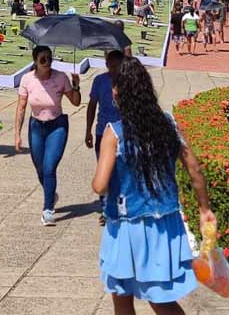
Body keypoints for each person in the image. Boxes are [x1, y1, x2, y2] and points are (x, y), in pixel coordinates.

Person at [92, 57, 214, 313]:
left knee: (121, 295)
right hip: (164, 224)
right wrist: (204, 209)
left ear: (118, 92)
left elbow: (99, 185)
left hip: (126, 225)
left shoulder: (114, 133)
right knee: (160, 298)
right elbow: (195, 169)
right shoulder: (168, 124)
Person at [15, 45, 81, 226]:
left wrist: (76, 86)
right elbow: (21, 107)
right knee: (40, 168)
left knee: (49, 167)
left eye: (49, 58)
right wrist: (17, 134)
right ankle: (51, 193)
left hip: (57, 126)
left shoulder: (60, 77)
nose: (47, 62)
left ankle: (48, 210)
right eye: (43, 59)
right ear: (35, 61)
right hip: (36, 126)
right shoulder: (27, 79)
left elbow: (76, 102)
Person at [85, 50, 125, 225]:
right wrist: (88, 130)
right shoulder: (99, 81)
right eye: (111, 64)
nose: (114, 68)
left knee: (121, 171)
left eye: (118, 64)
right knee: (105, 170)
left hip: (123, 133)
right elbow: (92, 105)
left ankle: (118, 205)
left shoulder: (127, 82)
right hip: (103, 132)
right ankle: (106, 208)